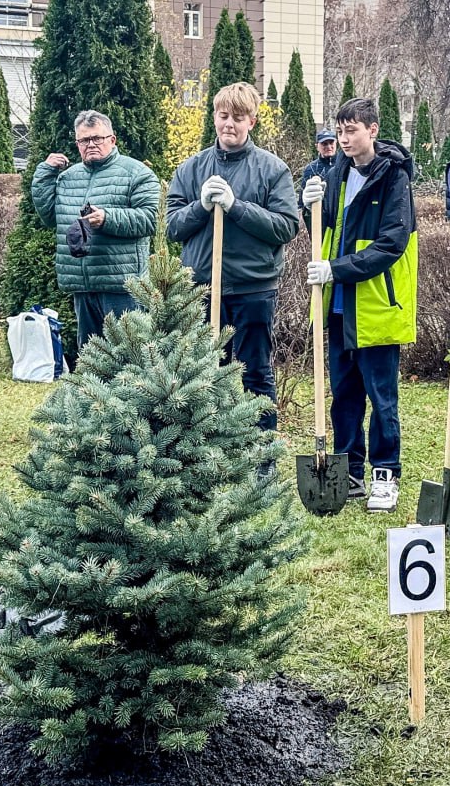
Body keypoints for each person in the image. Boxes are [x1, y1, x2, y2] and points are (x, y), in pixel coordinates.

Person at [167, 82, 300, 442]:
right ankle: (211, 447)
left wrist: (236, 207)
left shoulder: (272, 170)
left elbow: (287, 226)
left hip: (253, 288)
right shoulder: (191, 170)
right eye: (223, 116)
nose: (229, 124)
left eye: (238, 118)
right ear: (214, 117)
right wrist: (201, 206)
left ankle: (262, 449)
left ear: (252, 122)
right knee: (206, 370)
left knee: (254, 370)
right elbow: (172, 228)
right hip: (202, 287)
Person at [302, 98, 417, 512]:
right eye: (340, 130)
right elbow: (326, 226)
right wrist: (308, 204)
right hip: (338, 308)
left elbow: (391, 244)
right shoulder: (336, 173)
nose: (345, 138)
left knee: (381, 396)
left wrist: (336, 269)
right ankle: (349, 469)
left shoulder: (393, 180)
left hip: (376, 305)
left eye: (352, 130)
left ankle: (386, 474)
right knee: (343, 393)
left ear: (373, 129)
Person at [31, 110, 160, 350]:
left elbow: (151, 219)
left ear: (112, 140)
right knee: (91, 360)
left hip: (123, 286)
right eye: (84, 140)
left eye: (97, 139)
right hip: (84, 284)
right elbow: (50, 217)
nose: (91, 145)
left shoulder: (137, 173)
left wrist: (108, 218)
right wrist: (45, 173)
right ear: (77, 143)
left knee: (130, 356)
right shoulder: (68, 177)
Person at [299, 128, 339, 225]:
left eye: (331, 143)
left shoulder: (344, 164)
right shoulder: (311, 169)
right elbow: (302, 200)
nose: (329, 146)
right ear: (317, 146)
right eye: (324, 144)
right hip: (320, 217)